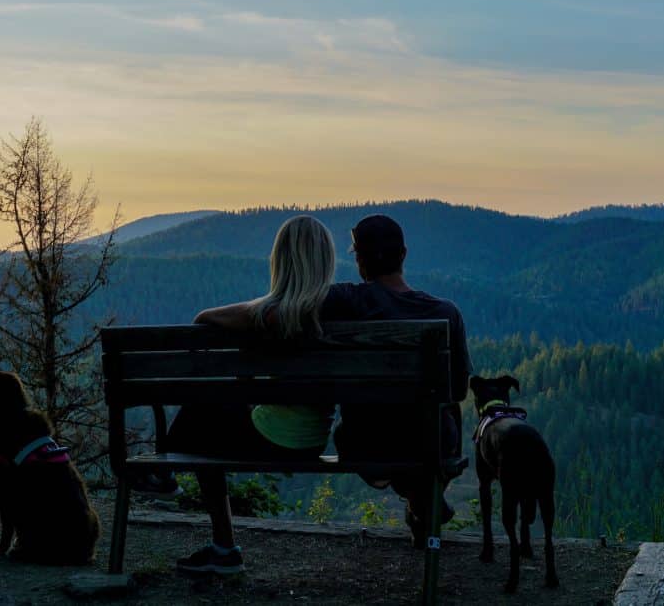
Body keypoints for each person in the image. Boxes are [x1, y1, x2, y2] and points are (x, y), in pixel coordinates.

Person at [140, 215, 337, 576]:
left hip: (273, 437)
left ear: (282, 260)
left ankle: (174, 488)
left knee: (202, 408)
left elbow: (205, 317)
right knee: (213, 407)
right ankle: (208, 530)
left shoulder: (274, 315)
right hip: (312, 438)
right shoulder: (336, 312)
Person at [322, 214, 473, 546]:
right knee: (445, 411)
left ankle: (420, 503)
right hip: (429, 443)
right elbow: (460, 389)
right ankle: (422, 501)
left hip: (365, 442)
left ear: (359, 260)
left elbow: (288, 306)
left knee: (387, 424)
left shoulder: (344, 301)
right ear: (403, 254)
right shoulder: (446, 313)